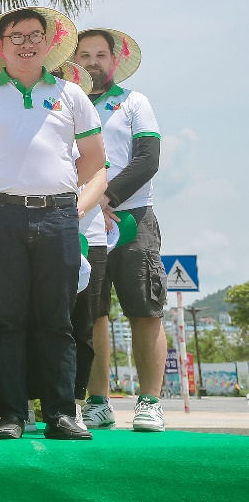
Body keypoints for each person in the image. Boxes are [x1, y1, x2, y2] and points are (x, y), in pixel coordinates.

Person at [0, 7, 107, 441]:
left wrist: (75, 209)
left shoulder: (71, 95)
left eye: (35, 35)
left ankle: (61, 414)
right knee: (6, 322)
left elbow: (97, 165)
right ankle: (11, 415)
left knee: (57, 321)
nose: (26, 43)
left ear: (49, 42)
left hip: (59, 215)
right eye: (16, 36)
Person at [76, 28, 166, 432]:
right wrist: (88, 206)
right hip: (83, 222)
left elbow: (147, 160)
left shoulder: (134, 102)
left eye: (100, 54)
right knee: (93, 314)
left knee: (144, 310)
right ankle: (98, 402)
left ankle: (150, 401)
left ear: (114, 61)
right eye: (84, 54)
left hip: (132, 219)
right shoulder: (67, 102)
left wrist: (105, 199)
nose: (92, 62)